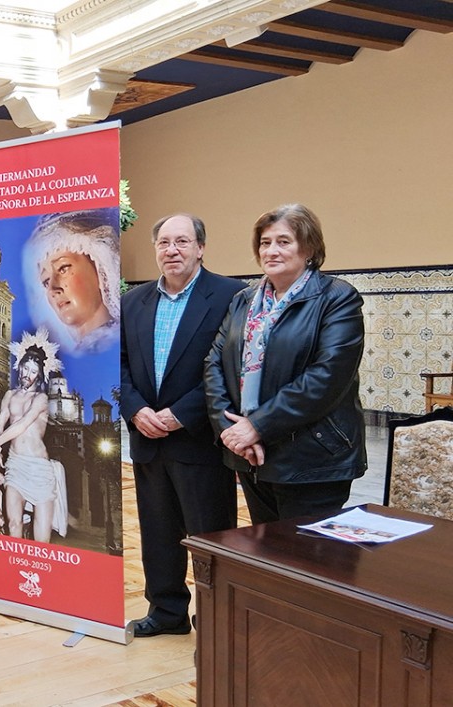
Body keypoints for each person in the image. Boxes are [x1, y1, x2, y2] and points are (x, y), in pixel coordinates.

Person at [120, 213, 245, 638]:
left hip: (199, 440)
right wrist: (136, 410)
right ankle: (166, 611)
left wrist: (181, 414)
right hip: (147, 437)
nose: (171, 250)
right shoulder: (132, 301)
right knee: (156, 532)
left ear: (201, 247)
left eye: (182, 242)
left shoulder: (232, 295)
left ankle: (215, 618)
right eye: (164, 243)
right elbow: (118, 365)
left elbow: (232, 369)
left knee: (211, 535)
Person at [204, 204, 366, 525]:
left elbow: (327, 377)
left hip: (312, 459)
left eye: (283, 241)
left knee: (309, 563)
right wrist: (232, 431)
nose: (271, 251)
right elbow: (214, 364)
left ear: (308, 248)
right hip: (251, 456)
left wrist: (256, 426)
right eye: (265, 242)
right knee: (269, 558)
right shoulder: (243, 300)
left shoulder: (338, 298)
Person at [0, 329, 66, 544]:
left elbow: (21, 424)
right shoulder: (9, 395)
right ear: (19, 366)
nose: (27, 374)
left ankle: (41, 571)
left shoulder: (41, 398)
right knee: (13, 524)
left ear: (40, 375)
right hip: (15, 465)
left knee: (41, 535)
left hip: (39, 468)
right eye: (25, 368)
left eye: (33, 371)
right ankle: (14, 570)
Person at [24, 211, 121, 354]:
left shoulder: (118, 342)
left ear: (101, 268)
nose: (52, 288)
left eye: (63, 268)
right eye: (45, 281)